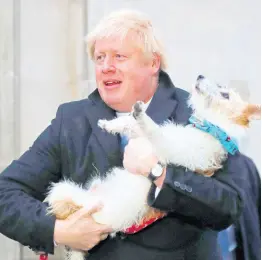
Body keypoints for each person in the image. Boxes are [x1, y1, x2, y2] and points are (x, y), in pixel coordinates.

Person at [0, 9, 256, 260]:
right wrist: (60, 231)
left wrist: (159, 173)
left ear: (153, 63)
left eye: (119, 56)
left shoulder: (198, 116)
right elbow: (5, 193)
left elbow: (229, 205)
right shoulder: (71, 120)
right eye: (100, 58)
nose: (106, 67)